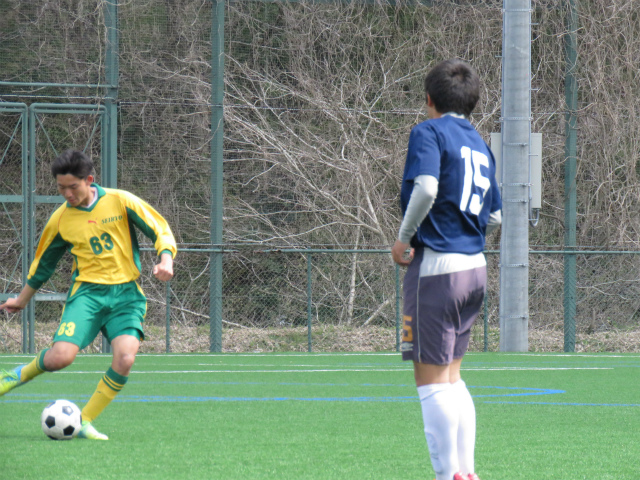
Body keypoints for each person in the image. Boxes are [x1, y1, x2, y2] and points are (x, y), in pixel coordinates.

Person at [0, 149, 177, 440]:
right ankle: (13, 376)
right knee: (60, 358)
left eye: (73, 187)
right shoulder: (60, 220)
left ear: (89, 180)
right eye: (61, 188)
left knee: (125, 359)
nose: (67, 194)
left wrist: (166, 259)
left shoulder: (120, 201)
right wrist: (21, 300)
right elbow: (42, 266)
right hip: (87, 296)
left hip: (126, 296)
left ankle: (84, 421)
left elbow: (159, 228)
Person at [391, 59, 502, 480]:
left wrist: (404, 237)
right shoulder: (480, 143)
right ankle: (466, 473)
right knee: (453, 378)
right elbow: (496, 216)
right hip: (475, 268)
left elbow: (426, 187)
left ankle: (447, 475)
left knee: (432, 381)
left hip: (438, 268)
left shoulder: (429, 131)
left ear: (429, 99)